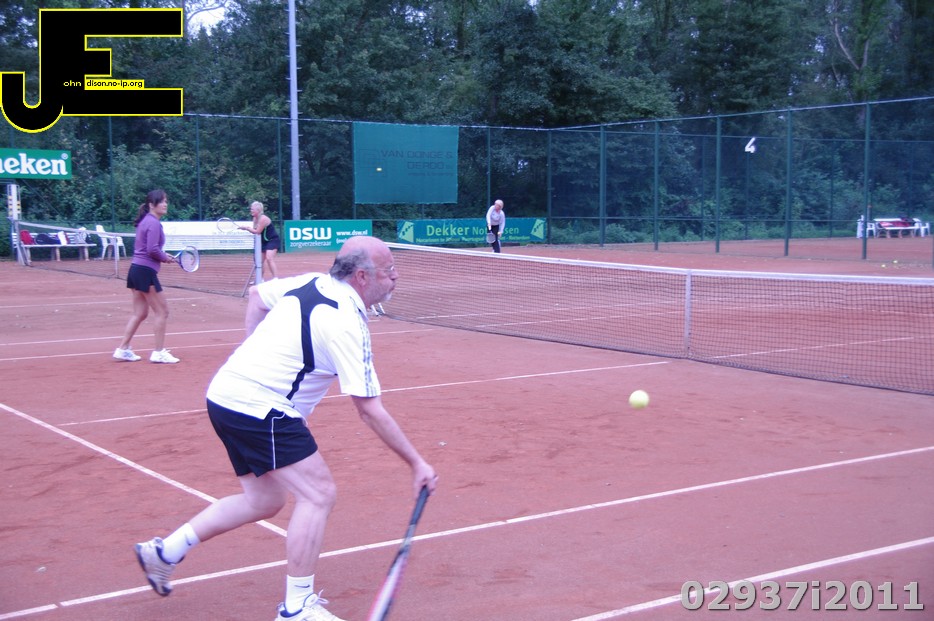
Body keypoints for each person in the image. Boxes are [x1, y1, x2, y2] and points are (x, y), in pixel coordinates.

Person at [133, 236, 439, 621]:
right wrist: (416, 463)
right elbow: (369, 410)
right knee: (319, 494)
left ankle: (164, 553)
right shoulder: (347, 322)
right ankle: (297, 608)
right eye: (388, 270)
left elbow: (257, 296)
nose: (395, 277)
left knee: (264, 500)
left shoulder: (311, 281)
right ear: (362, 276)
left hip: (226, 395)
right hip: (260, 407)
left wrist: (254, 356)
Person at [113, 189, 180, 364]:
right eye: (162, 201)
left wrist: (164, 256)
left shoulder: (146, 221)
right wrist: (164, 258)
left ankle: (123, 349)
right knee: (162, 312)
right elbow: (152, 250)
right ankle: (158, 352)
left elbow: (149, 249)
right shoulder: (154, 223)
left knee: (140, 313)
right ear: (152, 205)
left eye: (166, 201)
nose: (165, 204)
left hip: (136, 270)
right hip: (144, 271)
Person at [239, 201, 280, 280]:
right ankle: (260, 279)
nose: (251, 211)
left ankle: (275, 279)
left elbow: (257, 232)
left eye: (252, 209)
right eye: (251, 209)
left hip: (272, 240)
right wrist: (248, 228)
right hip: (263, 242)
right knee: (259, 261)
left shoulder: (263, 219)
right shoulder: (255, 218)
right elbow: (255, 229)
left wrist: (246, 228)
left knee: (269, 258)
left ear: (258, 210)